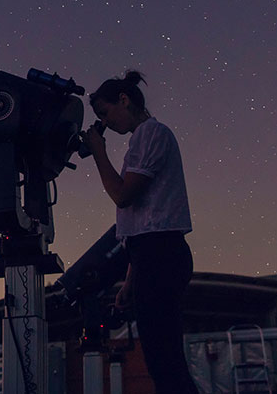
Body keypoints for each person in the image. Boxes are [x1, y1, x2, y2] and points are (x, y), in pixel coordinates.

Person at [83, 70, 199, 394]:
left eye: (105, 113)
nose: (106, 123)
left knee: (166, 363)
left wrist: (98, 152)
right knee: (162, 361)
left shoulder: (152, 133)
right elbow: (142, 222)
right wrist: (130, 282)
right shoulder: (142, 139)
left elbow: (123, 195)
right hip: (151, 255)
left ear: (124, 100)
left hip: (161, 255)